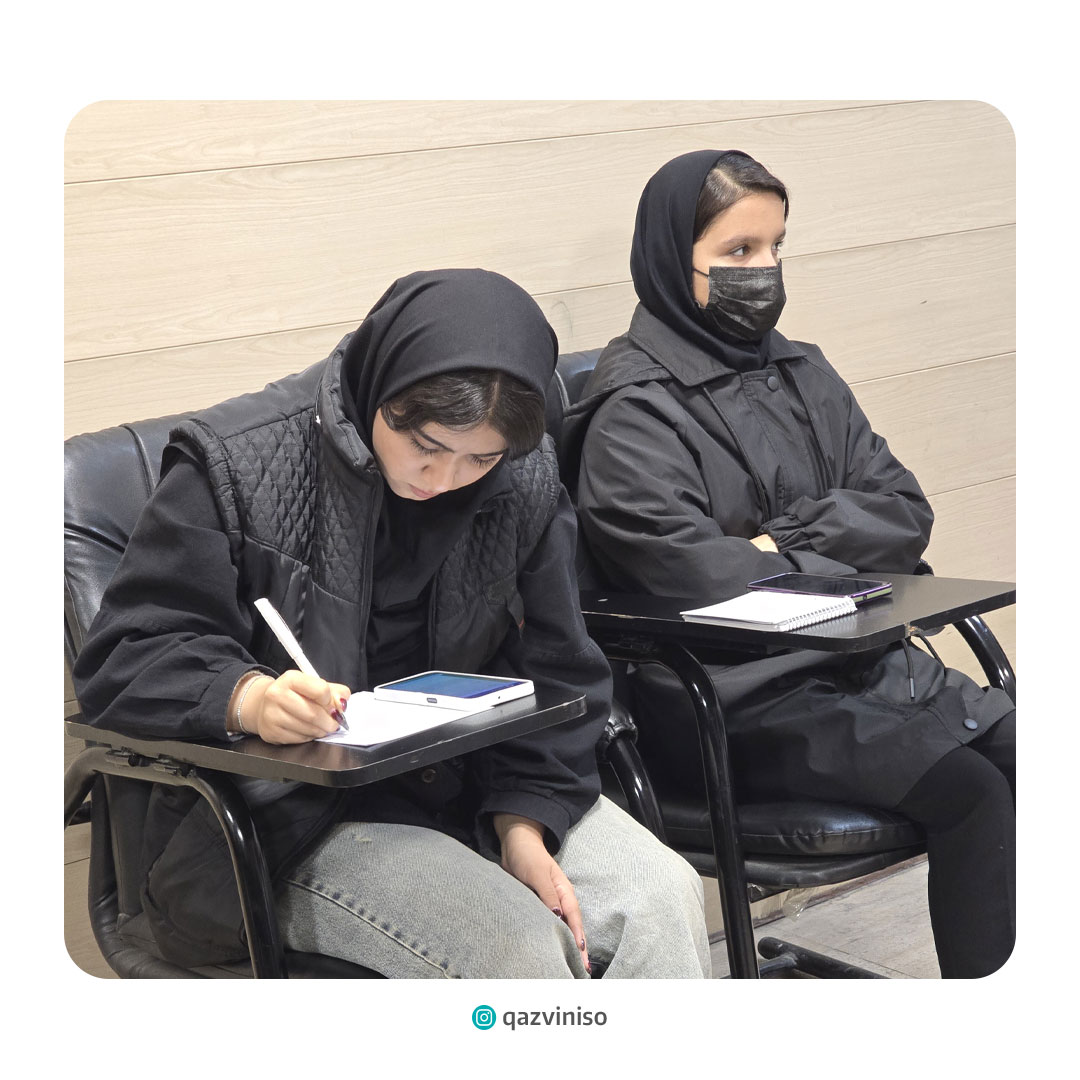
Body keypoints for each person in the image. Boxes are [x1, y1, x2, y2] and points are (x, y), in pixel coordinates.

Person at [73, 268, 710, 979]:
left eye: (479, 458)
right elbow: (126, 654)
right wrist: (247, 699)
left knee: (661, 897)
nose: (442, 481)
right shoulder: (235, 465)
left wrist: (525, 820)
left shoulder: (520, 479)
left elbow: (558, 666)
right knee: (512, 945)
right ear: (384, 388)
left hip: (471, 782)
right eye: (426, 447)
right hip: (288, 816)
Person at [562, 151, 1015, 979]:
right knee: (973, 796)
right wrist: (827, 542)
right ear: (670, 259)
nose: (764, 271)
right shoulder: (631, 412)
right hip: (731, 701)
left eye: (775, 247)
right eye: (738, 251)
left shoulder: (804, 368)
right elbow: (702, 580)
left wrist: (779, 543)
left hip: (860, 666)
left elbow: (903, 511)